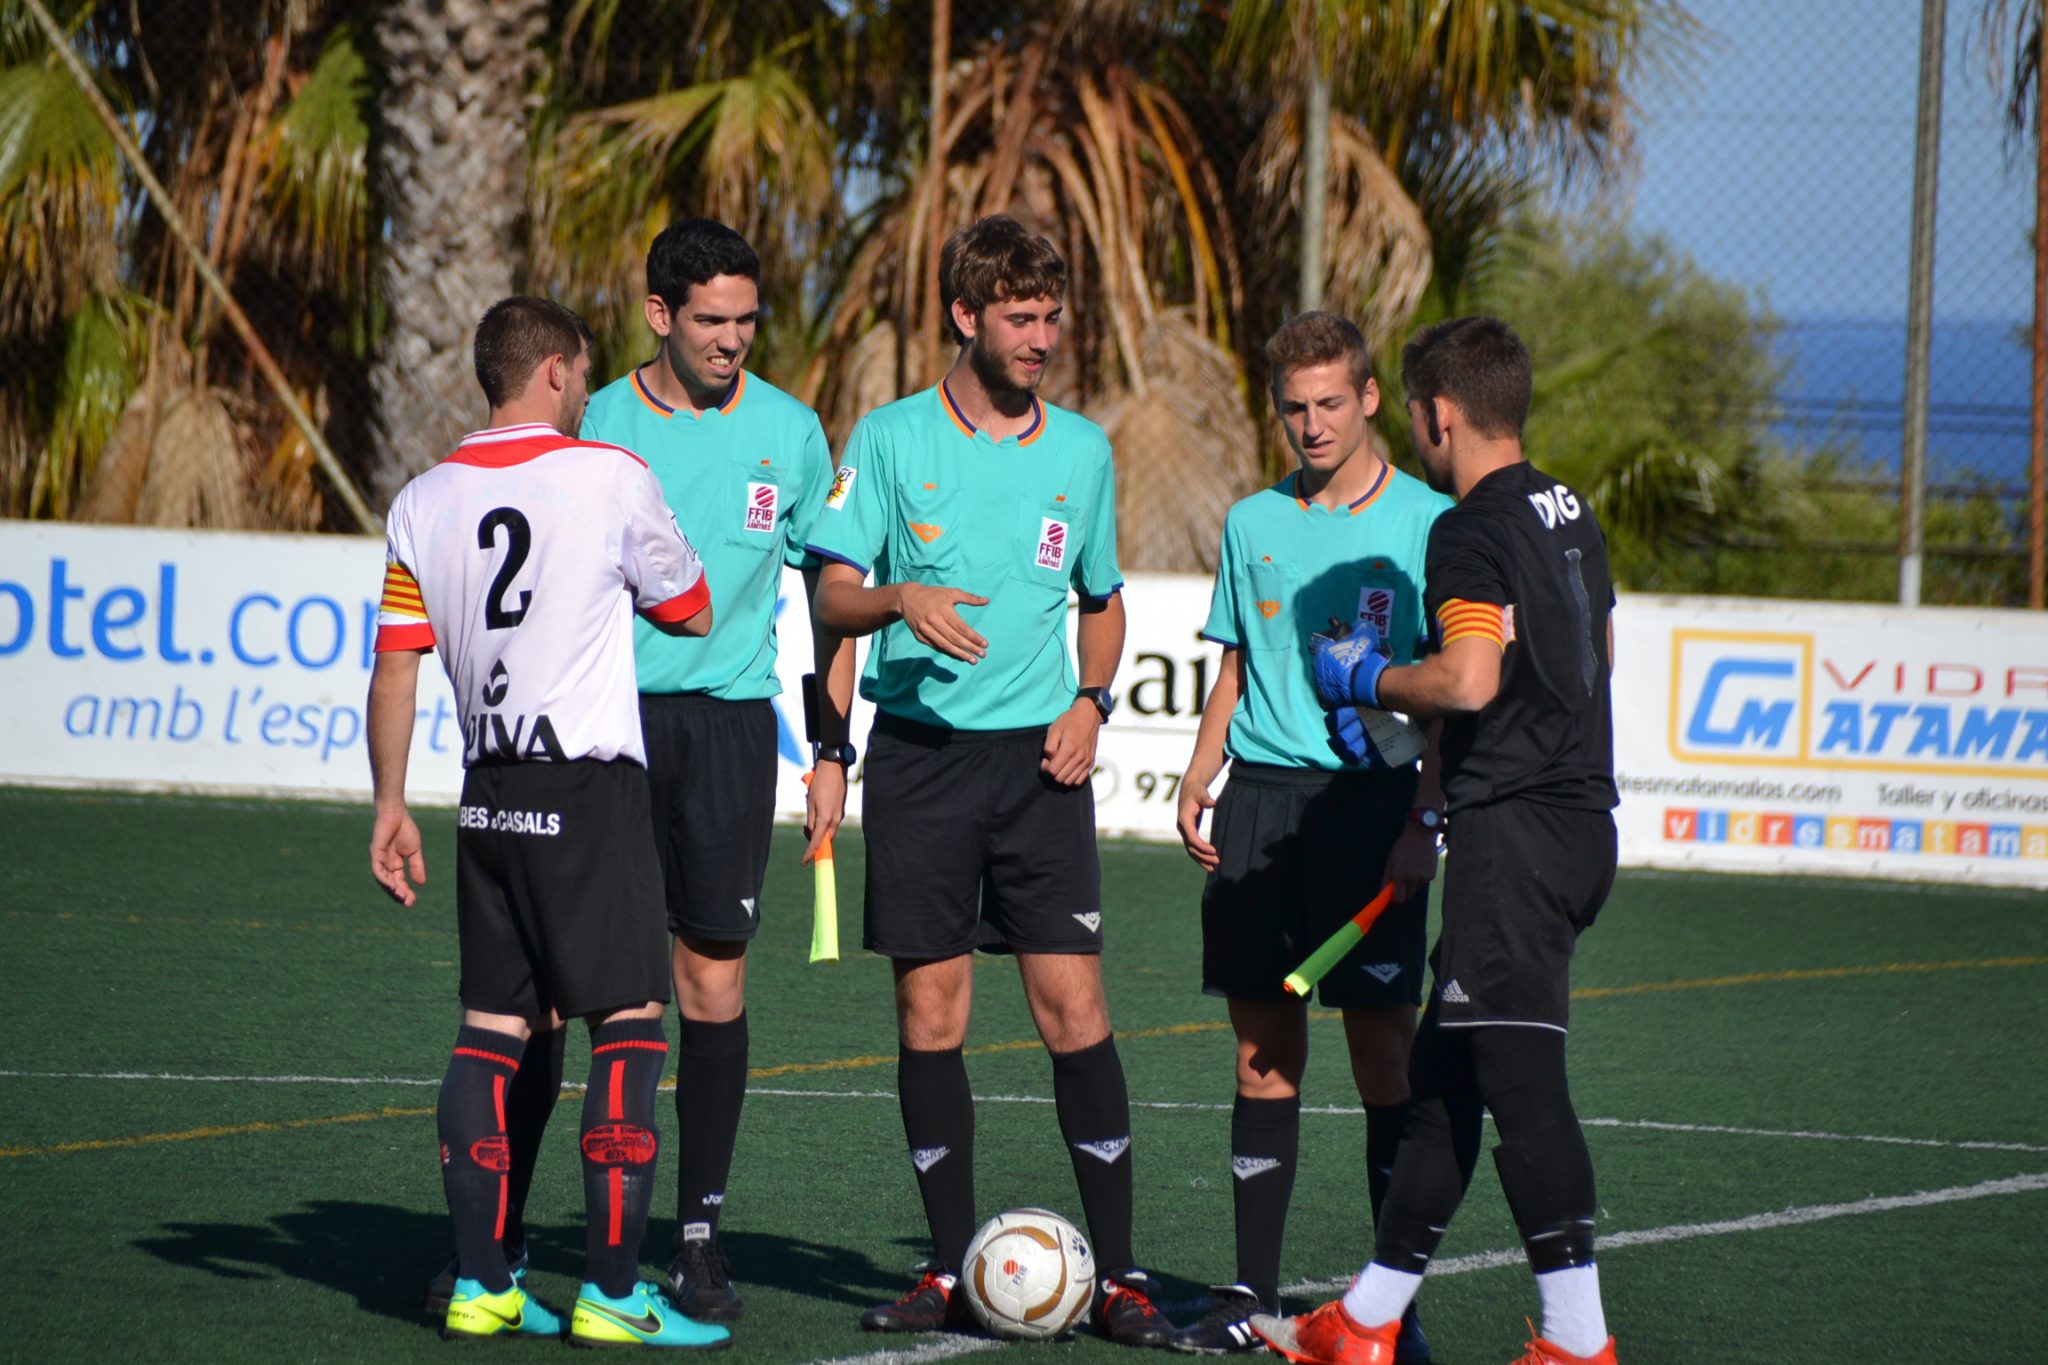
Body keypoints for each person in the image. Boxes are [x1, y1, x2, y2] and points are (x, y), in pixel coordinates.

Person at [807, 214, 1171, 1347]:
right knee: (931, 1012)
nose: (1041, 338)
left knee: (1075, 1011)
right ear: (965, 316)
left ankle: (1121, 1278)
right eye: (1019, 318)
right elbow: (829, 597)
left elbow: (1103, 603)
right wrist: (895, 602)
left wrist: (1091, 702)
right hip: (919, 762)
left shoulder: (1082, 452)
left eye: (1051, 317)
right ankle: (945, 1267)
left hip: (1037, 769)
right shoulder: (889, 437)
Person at [1250, 317, 1622, 1365]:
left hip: (1516, 834)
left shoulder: (1465, 529)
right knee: (1440, 1082)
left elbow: (1466, 679)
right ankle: (1365, 1323)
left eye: (1414, 410)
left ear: (1436, 414)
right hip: (1576, 822)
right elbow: (1596, 646)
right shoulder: (1566, 507)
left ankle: (1576, 1342)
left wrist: (1368, 678)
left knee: (1522, 1084)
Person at [367, 295, 728, 1350]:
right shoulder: (608, 474)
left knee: (491, 1028)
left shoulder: (421, 500)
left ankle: (484, 1284)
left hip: (486, 791)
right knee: (629, 1022)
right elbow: (691, 607)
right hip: (585, 792)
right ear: (557, 371)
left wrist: (389, 803)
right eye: (582, 371)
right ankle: (612, 1291)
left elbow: (397, 666)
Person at [578, 218, 854, 1322]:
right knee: (578, 987)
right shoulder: (596, 421)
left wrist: (830, 749)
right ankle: (506, 1236)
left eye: (746, 320)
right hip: (606, 731)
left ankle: (697, 1234)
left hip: (731, 732)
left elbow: (833, 602)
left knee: (712, 982)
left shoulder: (790, 431)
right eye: (709, 321)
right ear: (659, 314)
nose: (732, 340)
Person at [1170, 312, 1449, 1361]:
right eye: (1294, 407)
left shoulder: (1429, 522)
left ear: (1370, 398)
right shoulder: (1252, 521)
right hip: (1258, 801)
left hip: (1369, 809)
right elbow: (1236, 663)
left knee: (1383, 1056)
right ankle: (1249, 1296)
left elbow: (1448, 697)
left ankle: (1389, 1309)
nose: (1313, 423)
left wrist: (1424, 816)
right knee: (1260, 1057)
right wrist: (1201, 770)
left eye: (1331, 401)